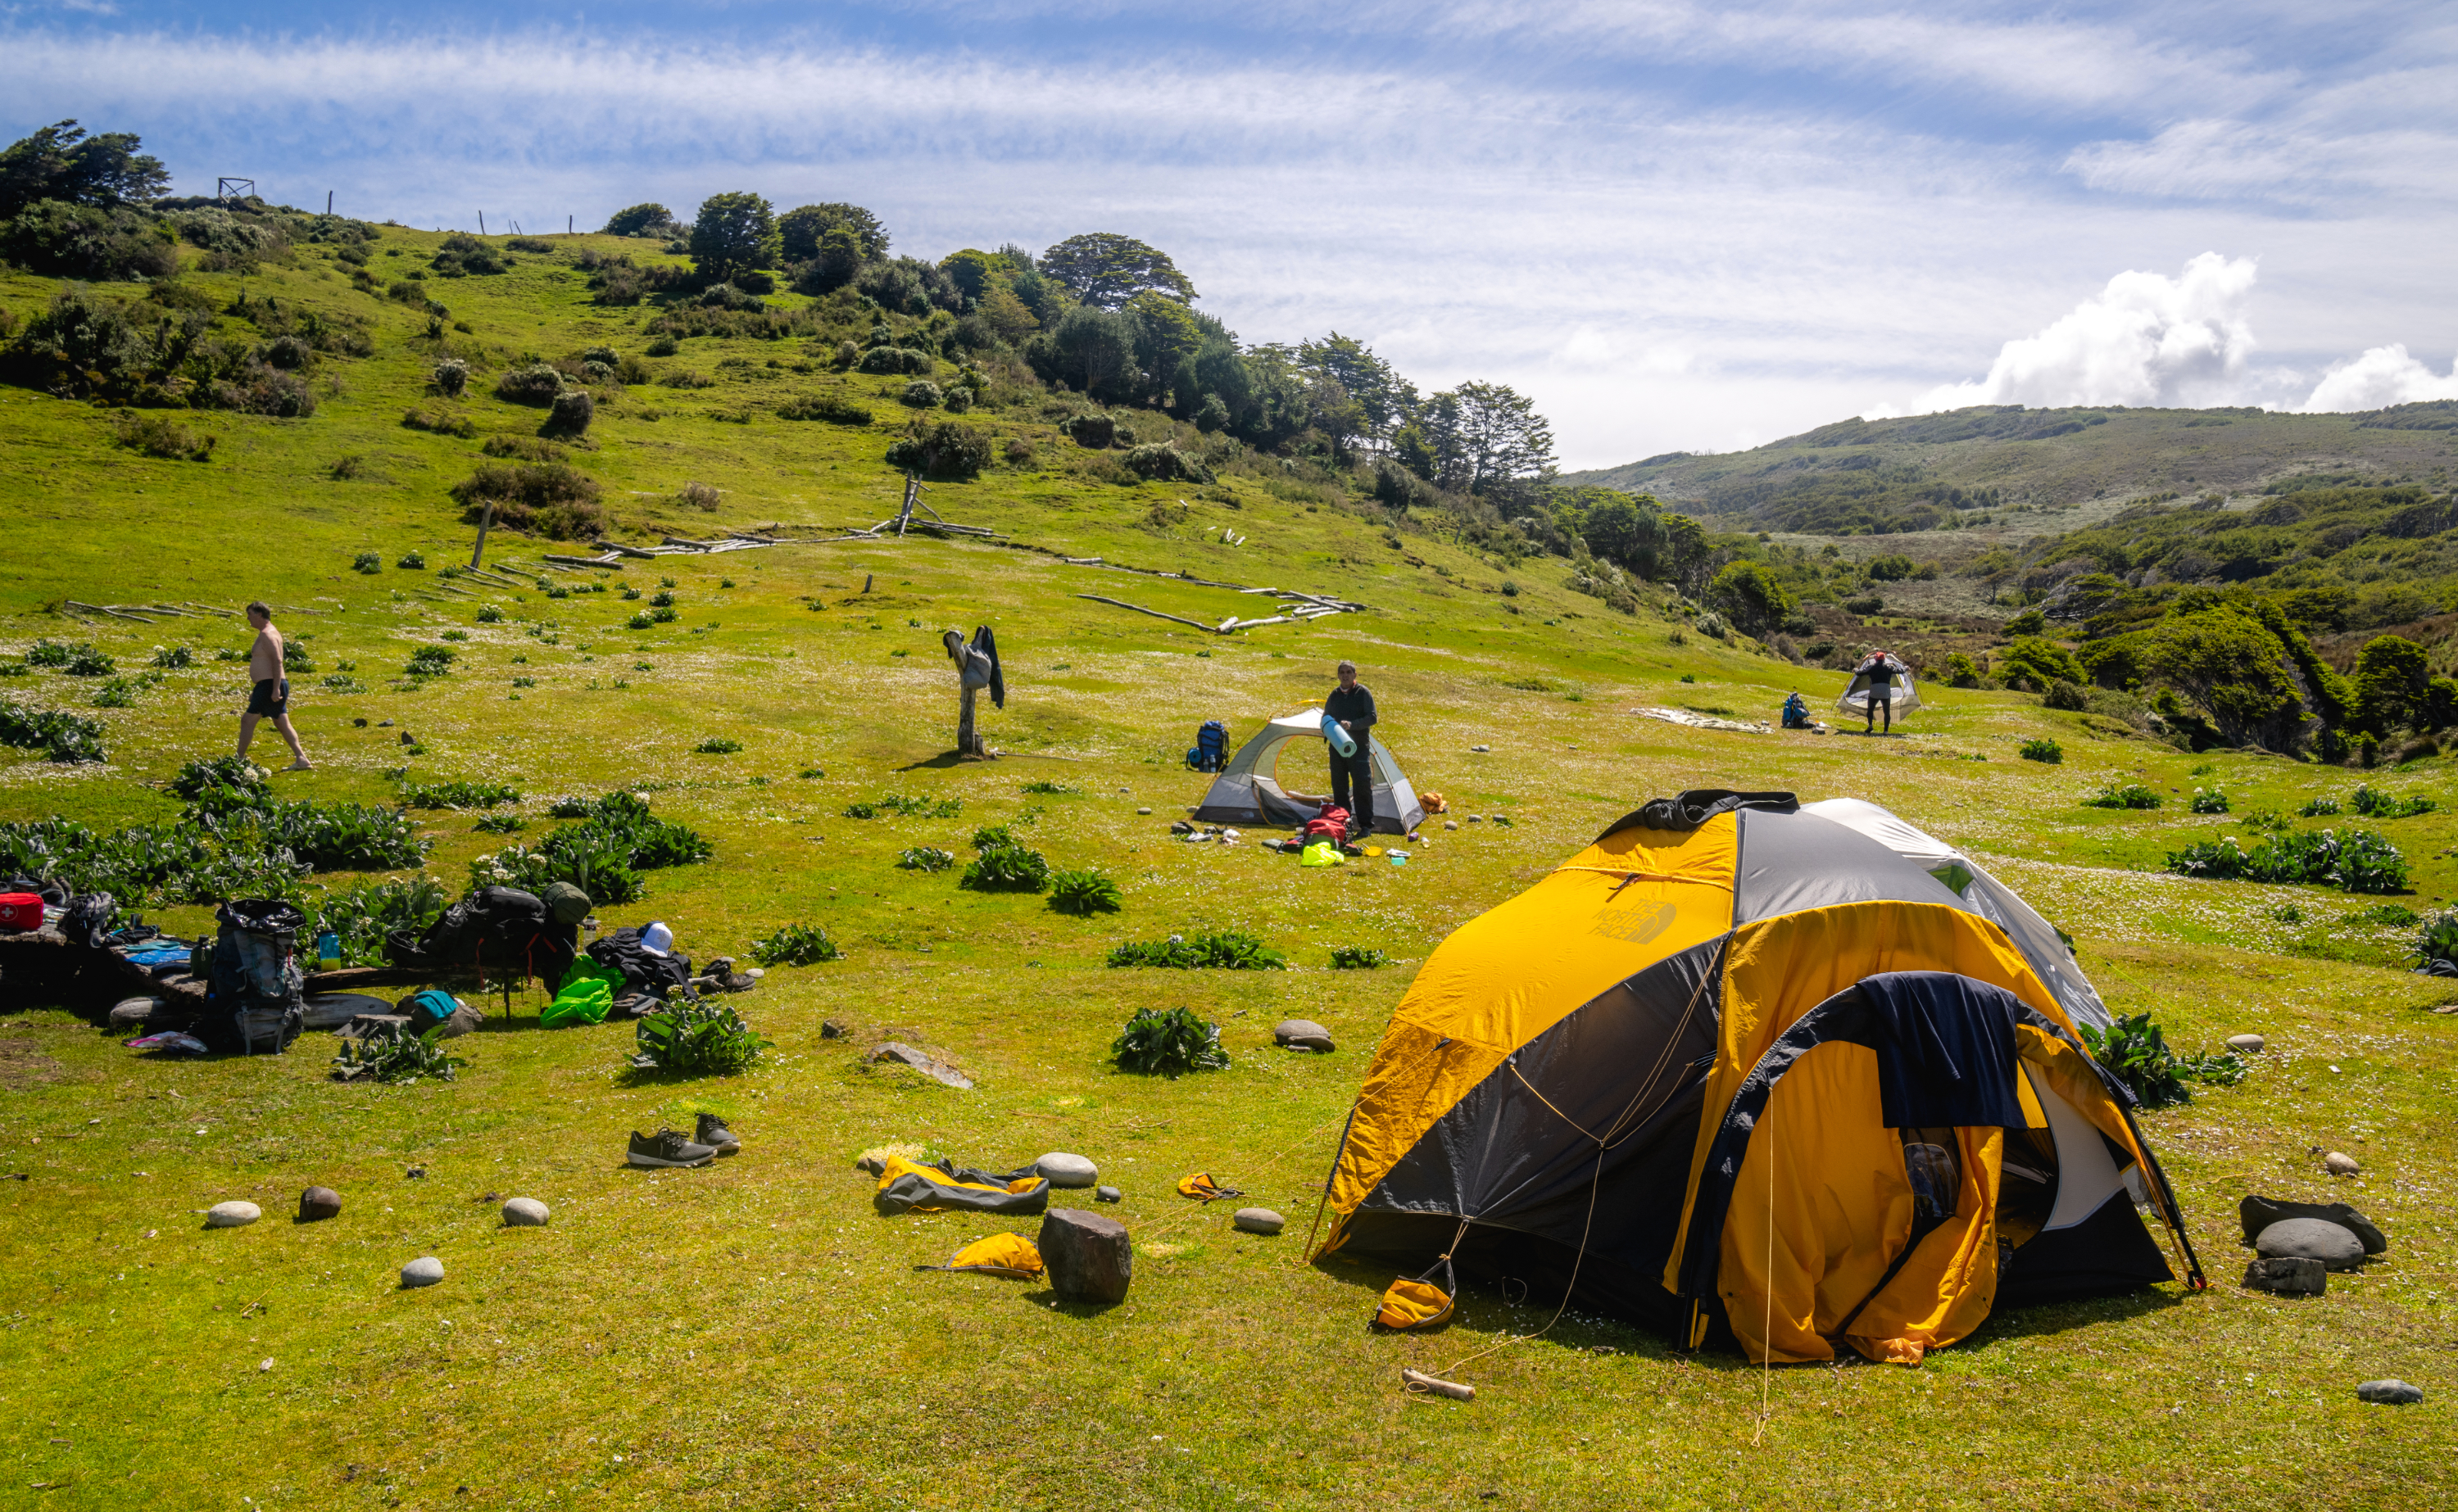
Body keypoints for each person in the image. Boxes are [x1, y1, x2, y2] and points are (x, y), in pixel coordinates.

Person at [236, 600, 311, 769]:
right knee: (282, 723)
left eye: (250, 614)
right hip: (268, 685)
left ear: (259, 614)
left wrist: (275, 689)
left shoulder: (267, 634)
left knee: (247, 721)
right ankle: (302, 759)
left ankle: (238, 760)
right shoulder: (270, 632)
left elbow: (277, 661)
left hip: (271, 685)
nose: (248, 618)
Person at [1323, 659, 1377, 838]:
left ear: (1355, 674)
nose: (1345, 675)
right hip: (1337, 749)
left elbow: (1372, 717)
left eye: (1348, 672)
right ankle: (1342, 823)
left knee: (1362, 786)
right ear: (1338, 675)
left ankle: (1366, 826)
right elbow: (1326, 717)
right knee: (1339, 787)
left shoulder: (1363, 693)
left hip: (1359, 748)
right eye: (1342, 672)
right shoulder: (1334, 695)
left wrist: (1352, 725)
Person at [1853, 647, 1909, 735]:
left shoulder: (1871, 667)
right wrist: (1906, 668)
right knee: (1886, 712)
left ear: (1875, 659)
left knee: (1870, 709)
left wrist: (1856, 669)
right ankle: (1886, 731)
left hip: (1874, 690)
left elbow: (1859, 673)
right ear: (1884, 659)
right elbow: (1900, 671)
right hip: (1885, 691)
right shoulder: (1889, 667)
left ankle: (1870, 725)